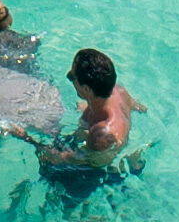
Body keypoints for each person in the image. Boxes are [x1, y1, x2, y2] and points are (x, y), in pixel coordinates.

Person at [13, 46, 139, 201]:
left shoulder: (101, 133)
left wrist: (27, 139)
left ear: (86, 89)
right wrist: (89, 106)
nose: (69, 77)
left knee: (48, 172)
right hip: (100, 147)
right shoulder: (119, 92)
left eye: (72, 77)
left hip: (98, 174)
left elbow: (65, 159)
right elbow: (139, 108)